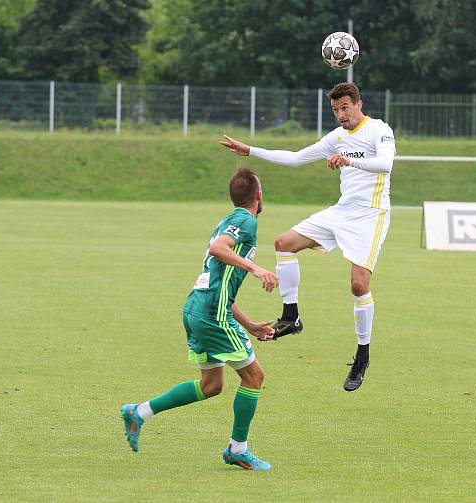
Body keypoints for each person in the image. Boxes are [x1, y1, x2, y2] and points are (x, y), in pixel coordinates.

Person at [220, 82, 395, 392]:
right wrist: (249, 150)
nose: (340, 115)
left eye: (345, 108)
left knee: (358, 285)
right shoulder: (337, 138)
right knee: (283, 243)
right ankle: (291, 316)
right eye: (335, 110)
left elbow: (386, 163)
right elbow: (296, 157)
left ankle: (362, 356)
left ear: (358, 104)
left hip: (371, 215)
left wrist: (348, 160)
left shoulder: (379, 130)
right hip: (342, 211)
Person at [120, 168, 279, 471]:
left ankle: (139, 413)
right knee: (254, 377)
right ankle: (238, 449)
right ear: (258, 196)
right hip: (210, 314)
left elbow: (218, 282)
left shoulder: (227, 222)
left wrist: (249, 326)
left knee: (211, 385)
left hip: (197, 307)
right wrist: (256, 269)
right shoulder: (245, 219)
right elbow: (218, 250)